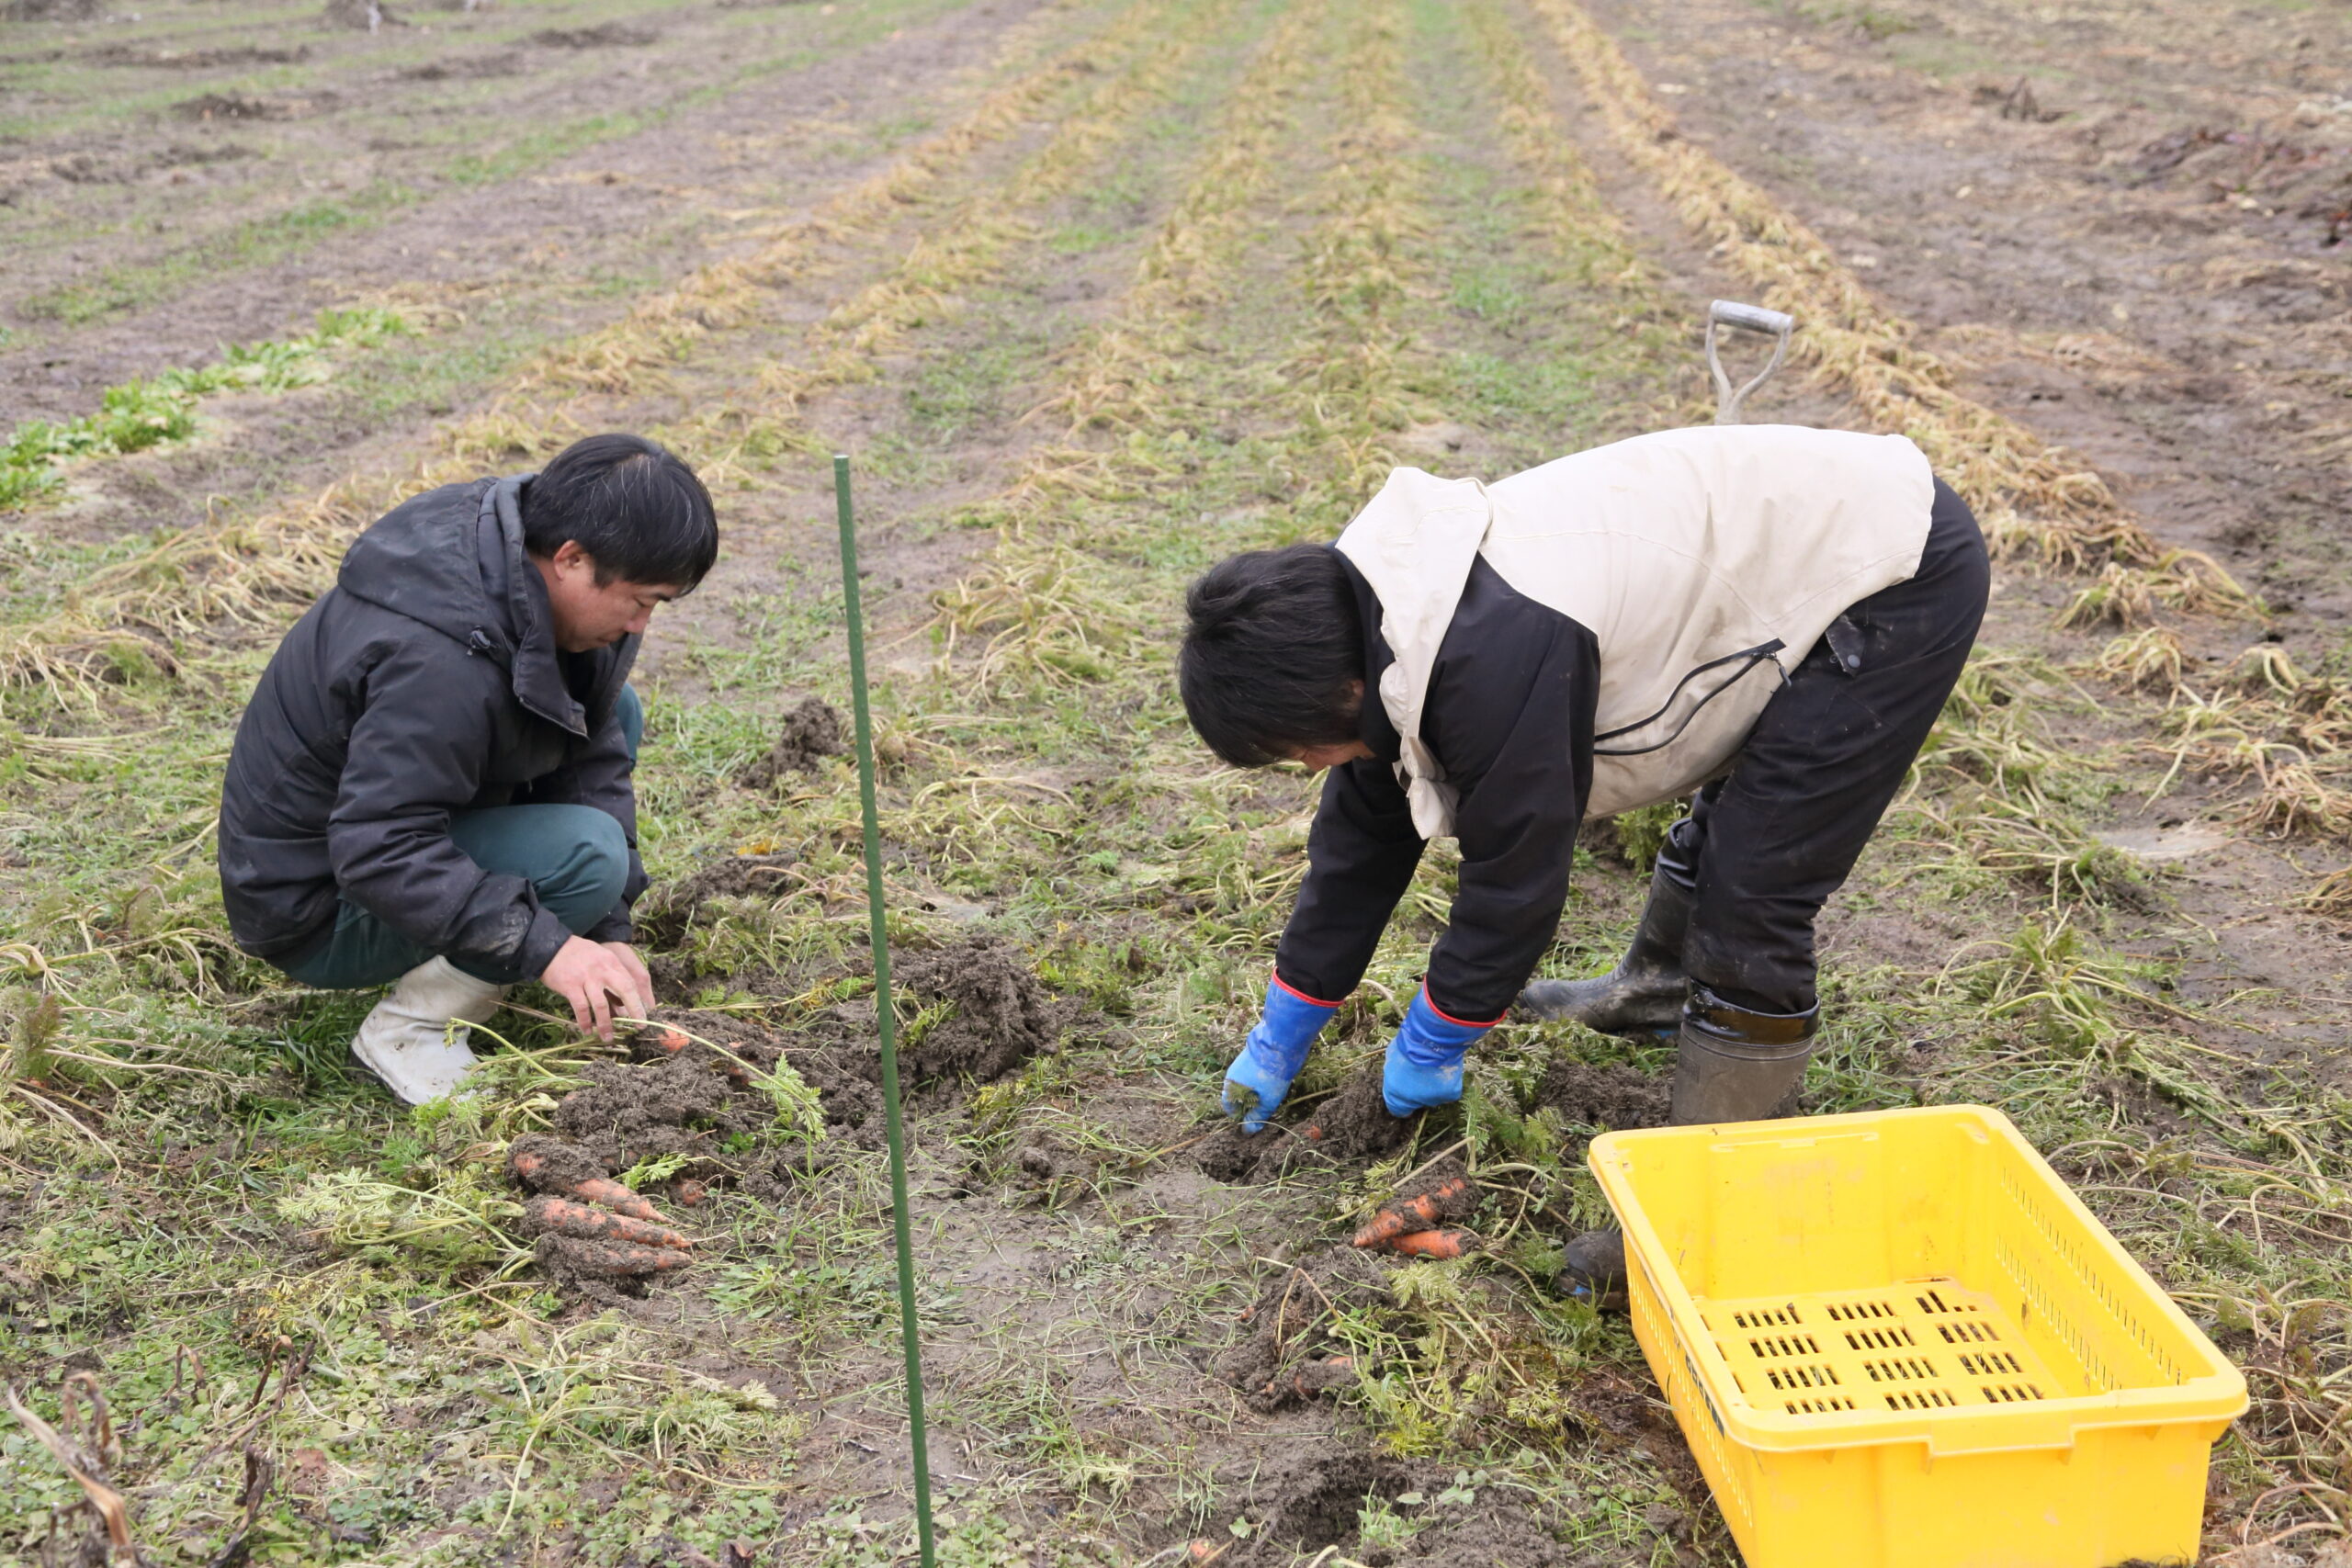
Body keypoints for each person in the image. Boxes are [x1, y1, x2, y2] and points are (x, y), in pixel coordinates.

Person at [1177, 423, 1988, 1299]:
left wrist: (1434, 1037)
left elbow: (1515, 880)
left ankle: (1696, 1212)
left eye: (1295, 749)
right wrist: (1282, 1029)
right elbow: (1359, 846)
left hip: (1886, 570)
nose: (1305, 768)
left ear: (1339, 690)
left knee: (1757, 885)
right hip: (1777, 548)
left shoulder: (1489, 654)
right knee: (1737, 833)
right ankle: (1656, 994)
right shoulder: (1377, 631)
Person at [217, 433, 718, 1105]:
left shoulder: (523, 567)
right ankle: (410, 1028)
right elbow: (378, 848)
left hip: (381, 833)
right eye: (642, 600)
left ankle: (485, 948)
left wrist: (602, 928)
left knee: (610, 708)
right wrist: (547, 946)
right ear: (571, 558)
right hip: (314, 901)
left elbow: (590, 751)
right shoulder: (438, 660)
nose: (640, 626)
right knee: (585, 856)